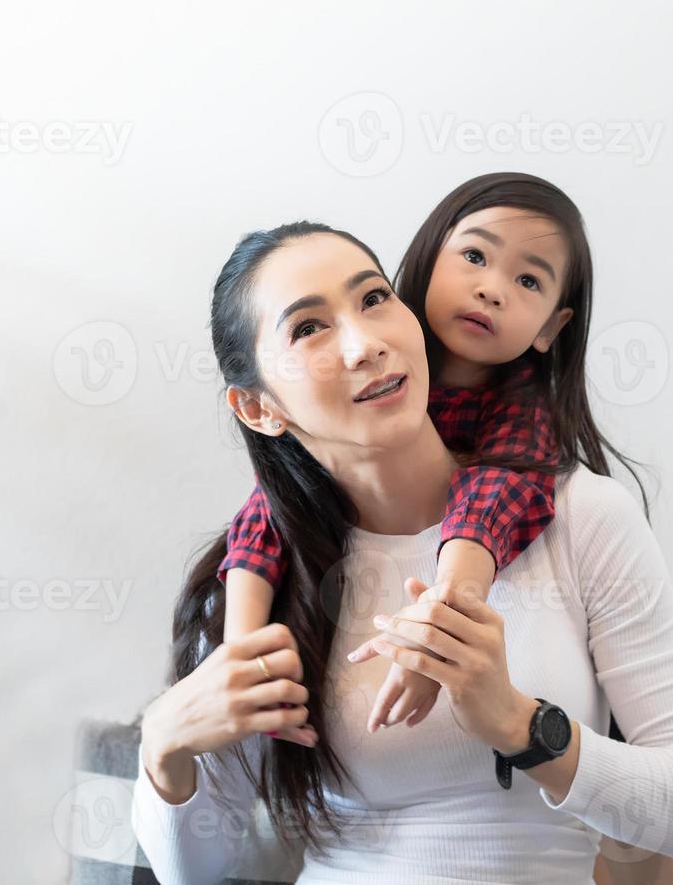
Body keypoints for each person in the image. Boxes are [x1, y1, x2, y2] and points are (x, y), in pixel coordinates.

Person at [133, 221, 673, 883]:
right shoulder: (262, 582)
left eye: (374, 299)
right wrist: (164, 743)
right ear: (258, 407)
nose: (365, 344)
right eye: (308, 328)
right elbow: (191, 872)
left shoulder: (581, 515)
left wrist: (519, 725)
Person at [215, 173, 646, 742]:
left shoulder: (536, 442)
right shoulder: (327, 454)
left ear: (550, 328)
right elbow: (267, 511)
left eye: (528, 280)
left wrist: (439, 630)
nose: (492, 289)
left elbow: (496, 489)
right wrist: (239, 666)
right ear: (421, 266)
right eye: (473, 255)